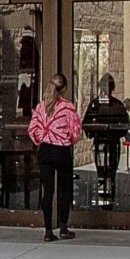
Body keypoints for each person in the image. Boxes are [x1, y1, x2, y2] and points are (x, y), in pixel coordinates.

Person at [27, 73, 82, 241]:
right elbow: (76, 131)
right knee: (65, 189)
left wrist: (42, 139)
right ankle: (64, 227)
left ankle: (48, 230)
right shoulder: (67, 107)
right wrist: (68, 140)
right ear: (64, 89)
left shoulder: (40, 107)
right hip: (61, 150)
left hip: (45, 151)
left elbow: (32, 129)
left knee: (48, 191)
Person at [84, 75, 130, 197]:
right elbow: (125, 125)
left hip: (102, 142)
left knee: (103, 173)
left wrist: (92, 133)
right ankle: (109, 198)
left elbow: (86, 123)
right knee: (111, 173)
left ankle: (104, 197)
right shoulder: (116, 105)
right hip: (111, 143)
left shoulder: (95, 104)